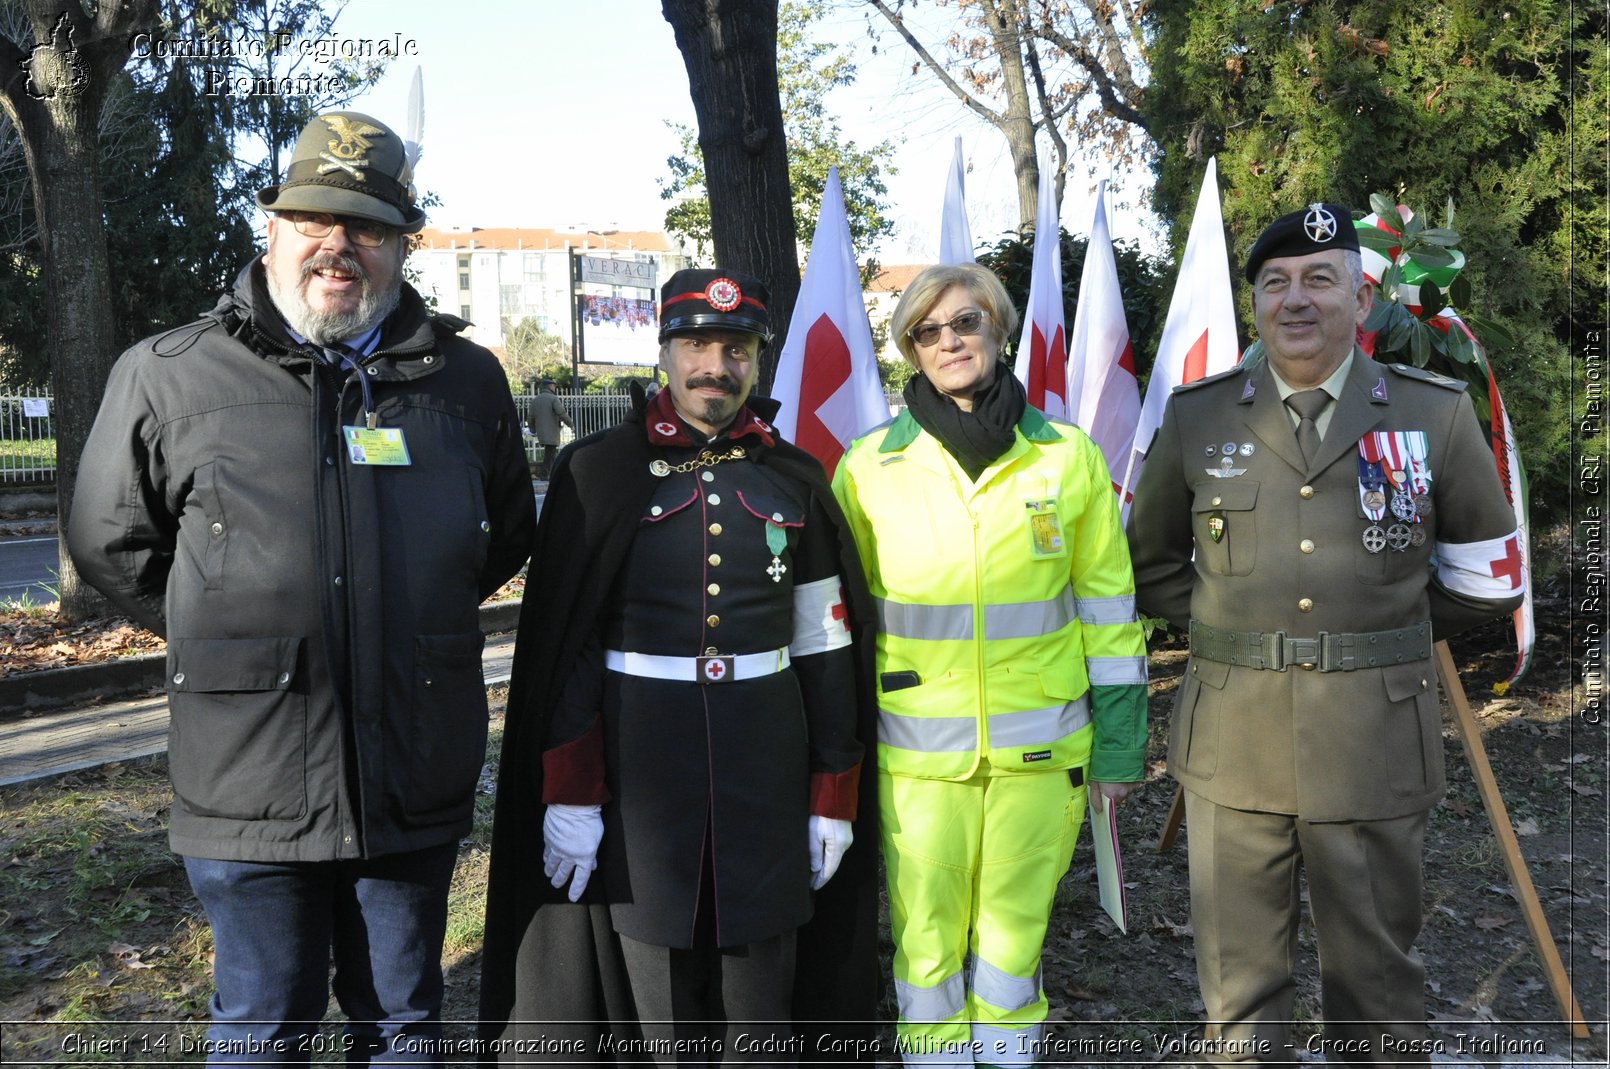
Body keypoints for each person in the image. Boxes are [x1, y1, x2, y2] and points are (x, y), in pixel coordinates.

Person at [67, 110, 536, 1066]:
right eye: (316, 218)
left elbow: (498, 538)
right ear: (272, 226)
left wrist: (399, 620)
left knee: (403, 1025)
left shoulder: (467, 380)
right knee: (260, 1028)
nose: (339, 245)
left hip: (413, 762)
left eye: (366, 226)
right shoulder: (168, 375)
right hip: (251, 773)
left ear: (403, 243)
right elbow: (112, 543)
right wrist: (231, 634)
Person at [1127, 203, 1527, 1064]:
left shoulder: (1433, 413)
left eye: (1319, 279)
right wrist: (1231, 627)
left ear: (1360, 297)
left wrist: (1382, 632)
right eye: (1276, 283)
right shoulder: (1202, 418)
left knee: (1377, 986)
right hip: (1235, 742)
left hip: (1374, 737)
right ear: (1256, 307)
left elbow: (1491, 576)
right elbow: (1148, 561)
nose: (1295, 300)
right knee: (1239, 993)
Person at [479, 268, 882, 1063]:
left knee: (761, 997)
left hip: (765, 771)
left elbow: (827, 647)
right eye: (697, 343)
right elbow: (571, 649)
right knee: (656, 996)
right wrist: (570, 789)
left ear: (757, 362)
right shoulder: (598, 471)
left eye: (735, 348)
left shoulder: (794, 477)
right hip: (640, 777)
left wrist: (833, 792)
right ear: (664, 351)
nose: (715, 365)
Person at [831, 262, 1148, 1065]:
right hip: (917, 758)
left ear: (998, 331)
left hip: (1043, 755)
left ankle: (1007, 1056)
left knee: (1013, 943)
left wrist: (1119, 746)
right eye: (928, 331)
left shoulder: (1068, 460)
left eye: (965, 322)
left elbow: (1112, 619)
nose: (949, 341)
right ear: (910, 348)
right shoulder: (868, 469)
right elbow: (840, 629)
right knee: (926, 942)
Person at [527, 378, 573, 478]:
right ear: (550, 386)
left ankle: (550, 473)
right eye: (554, 386)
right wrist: (571, 424)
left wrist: (532, 429)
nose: (555, 387)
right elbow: (562, 413)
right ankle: (545, 474)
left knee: (550, 453)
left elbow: (530, 417)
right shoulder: (553, 399)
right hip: (551, 431)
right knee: (550, 455)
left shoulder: (536, 400)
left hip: (541, 431)